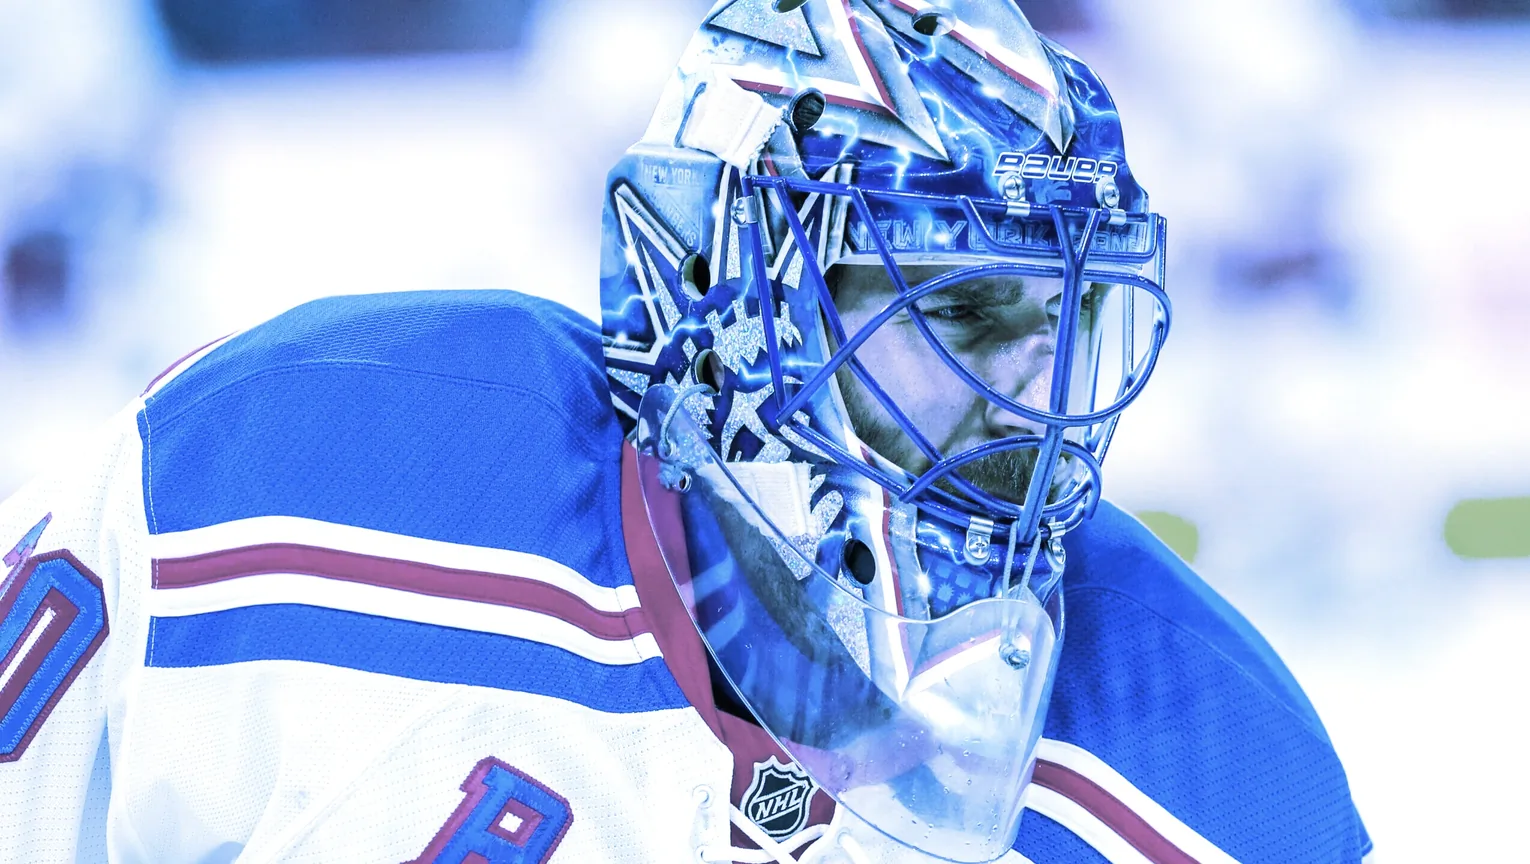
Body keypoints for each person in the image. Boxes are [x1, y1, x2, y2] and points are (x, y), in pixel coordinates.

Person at [0, 2, 1371, 862]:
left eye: (1053, 326)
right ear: (723, 298)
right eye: (948, 313)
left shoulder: (1210, 777)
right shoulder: (293, 476)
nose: (1020, 395)